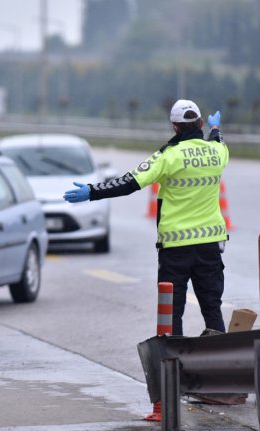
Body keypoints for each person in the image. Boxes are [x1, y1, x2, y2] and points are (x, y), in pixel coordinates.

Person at [63, 99, 229, 336]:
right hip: (210, 246)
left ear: (174, 126)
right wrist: (215, 129)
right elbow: (218, 142)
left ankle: (174, 365)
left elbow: (129, 182)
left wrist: (93, 191)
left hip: (176, 249)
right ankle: (220, 363)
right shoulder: (217, 153)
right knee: (213, 309)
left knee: (172, 314)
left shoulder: (167, 157)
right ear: (200, 122)